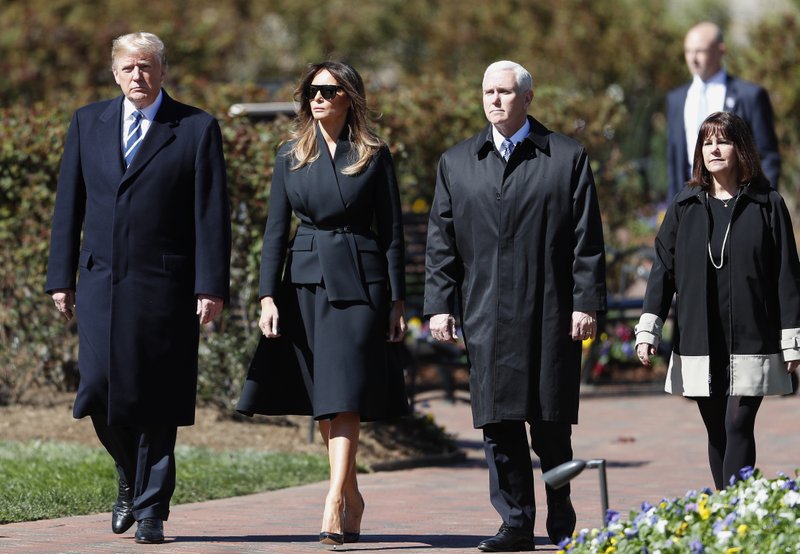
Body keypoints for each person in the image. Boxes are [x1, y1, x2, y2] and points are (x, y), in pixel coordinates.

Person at [45, 32, 231, 544]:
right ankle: (129, 477)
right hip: (100, 279)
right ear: (114, 72)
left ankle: (151, 510)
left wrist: (211, 286)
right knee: (98, 392)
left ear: (163, 70)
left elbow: (211, 215)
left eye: (146, 67)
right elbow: (69, 206)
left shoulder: (195, 128)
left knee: (156, 398)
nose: (137, 77)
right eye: (128, 68)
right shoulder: (88, 122)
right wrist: (60, 276)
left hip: (164, 285)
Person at [424, 60, 607, 551]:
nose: (495, 100)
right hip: (486, 314)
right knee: (497, 423)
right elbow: (441, 242)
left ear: (528, 98)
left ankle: (560, 512)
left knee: (550, 426)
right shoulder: (457, 162)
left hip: (550, 312)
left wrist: (585, 302)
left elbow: (586, 240)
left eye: (505, 92)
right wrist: (440, 304)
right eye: (488, 91)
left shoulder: (565, 156)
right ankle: (515, 523)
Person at [236, 61, 408, 546]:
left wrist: (397, 300)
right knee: (326, 394)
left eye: (329, 91)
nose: (318, 98)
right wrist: (268, 295)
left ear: (348, 97)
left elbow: (392, 233)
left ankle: (333, 498)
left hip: (361, 282)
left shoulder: (374, 154)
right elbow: (275, 232)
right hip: (306, 283)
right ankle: (351, 495)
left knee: (346, 388)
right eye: (312, 90)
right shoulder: (289, 154)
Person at [635, 111, 799, 490]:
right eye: (707, 142)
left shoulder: (767, 204)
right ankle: (730, 514)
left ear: (741, 148)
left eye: (723, 141)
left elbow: (788, 274)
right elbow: (663, 269)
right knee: (716, 429)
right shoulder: (685, 205)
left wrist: (792, 340)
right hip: (700, 337)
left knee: (738, 422)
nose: (714, 149)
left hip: (754, 337)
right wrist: (649, 329)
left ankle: (733, 511)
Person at [666, 21, 780, 201]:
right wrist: (674, 207)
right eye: (688, 51)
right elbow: (673, 161)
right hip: (691, 202)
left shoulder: (749, 96)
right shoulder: (676, 99)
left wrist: (763, 204)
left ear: (720, 50)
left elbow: (767, 156)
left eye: (700, 51)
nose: (693, 58)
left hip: (740, 200)